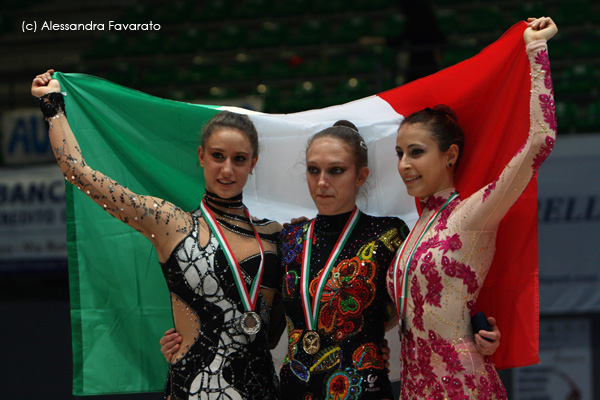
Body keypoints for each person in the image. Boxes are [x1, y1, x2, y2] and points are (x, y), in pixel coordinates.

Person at [31, 72, 281, 400]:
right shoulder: (169, 223)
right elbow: (78, 172)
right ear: (201, 156)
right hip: (193, 388)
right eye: (218, 156)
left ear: (254, 164)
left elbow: (276, 329)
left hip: (261, 388)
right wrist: (52, 104)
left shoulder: (275, 234)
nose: (227, 170)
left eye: (239, 159)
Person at [387, 16, 558, 398]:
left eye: (416, 152)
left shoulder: (472, 214)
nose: (404, 164)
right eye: (399, 153)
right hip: (413, 388)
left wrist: (535, 52)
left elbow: (539, 142)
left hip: (463, 387)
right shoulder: (417, 226)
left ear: (450, 155)